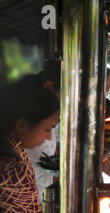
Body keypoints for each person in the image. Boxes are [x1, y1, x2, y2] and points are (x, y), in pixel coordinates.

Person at [0, 76, 59, 213]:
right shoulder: (11, 164)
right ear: (22, 124)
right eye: (47, 129)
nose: (49, 137)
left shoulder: (9, 143)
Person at [25, 60, 61, 201]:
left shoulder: (49, 113)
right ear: (50, 86)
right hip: (29, 203)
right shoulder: (31, 117)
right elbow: (37, 172)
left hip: (41, 196)